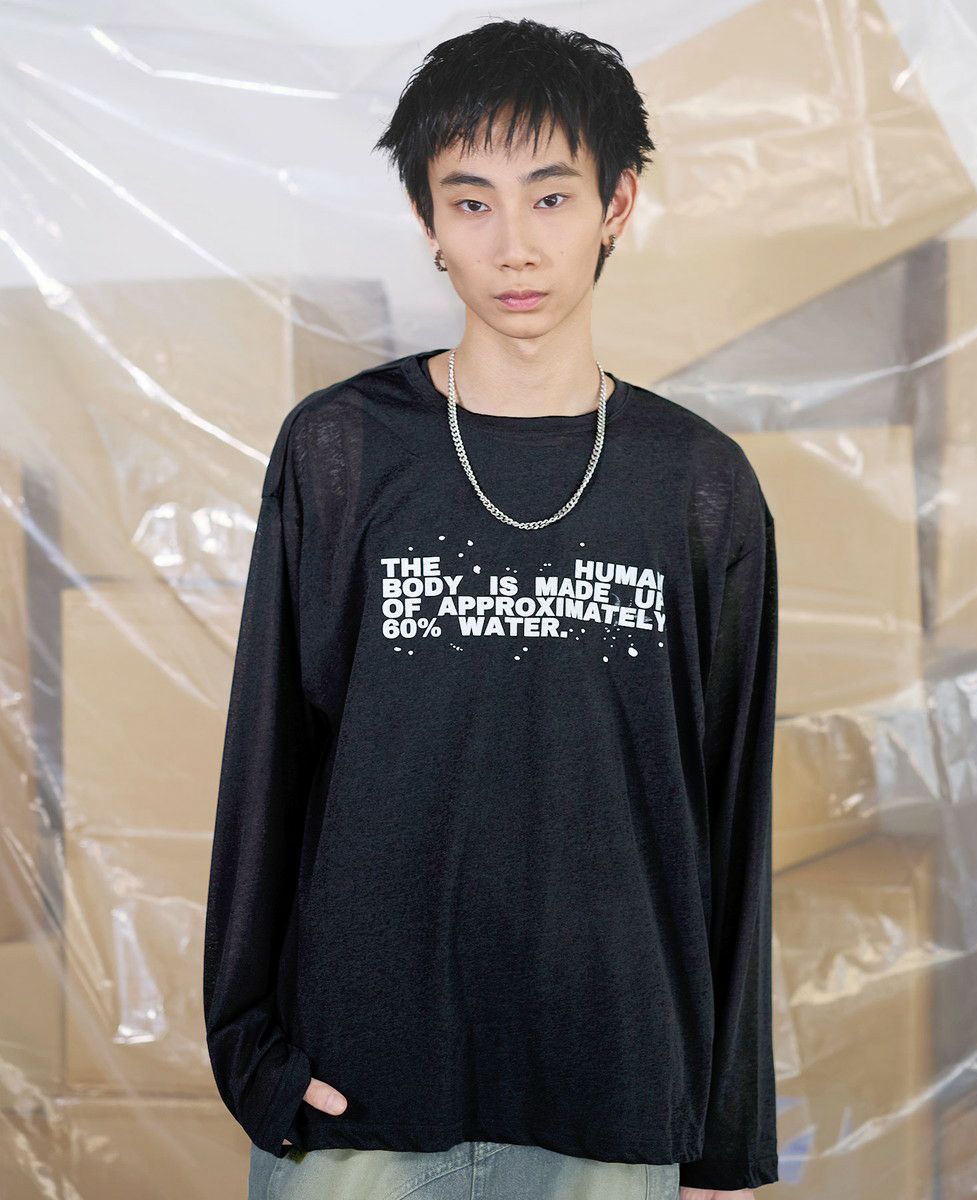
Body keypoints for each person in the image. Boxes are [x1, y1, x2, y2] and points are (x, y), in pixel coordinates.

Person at [203, 17, 780, 1200]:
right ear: (427, 220)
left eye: (551, 198)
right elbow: (268, 766)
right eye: (471, 203)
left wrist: (725, 1137)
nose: (513, 245)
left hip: (612, 1104)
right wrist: (252, 1060)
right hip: (356, 1101)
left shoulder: (697, 486)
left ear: (617, 205)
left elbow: (728, 818)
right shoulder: (343, 453)